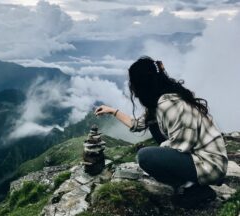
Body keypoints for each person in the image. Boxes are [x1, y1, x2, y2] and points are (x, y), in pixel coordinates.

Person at [94, 56, 228, 208]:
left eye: (133, 83)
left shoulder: (170, 105)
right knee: (153, 127)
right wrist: (113, 111)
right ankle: (192, 185)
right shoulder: (158, 103)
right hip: (200, 158)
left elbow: (182, 145)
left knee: (145, 156)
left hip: (210, 165)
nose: (132, 88)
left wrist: (157, 156)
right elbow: (137, 124)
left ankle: (195, 188)